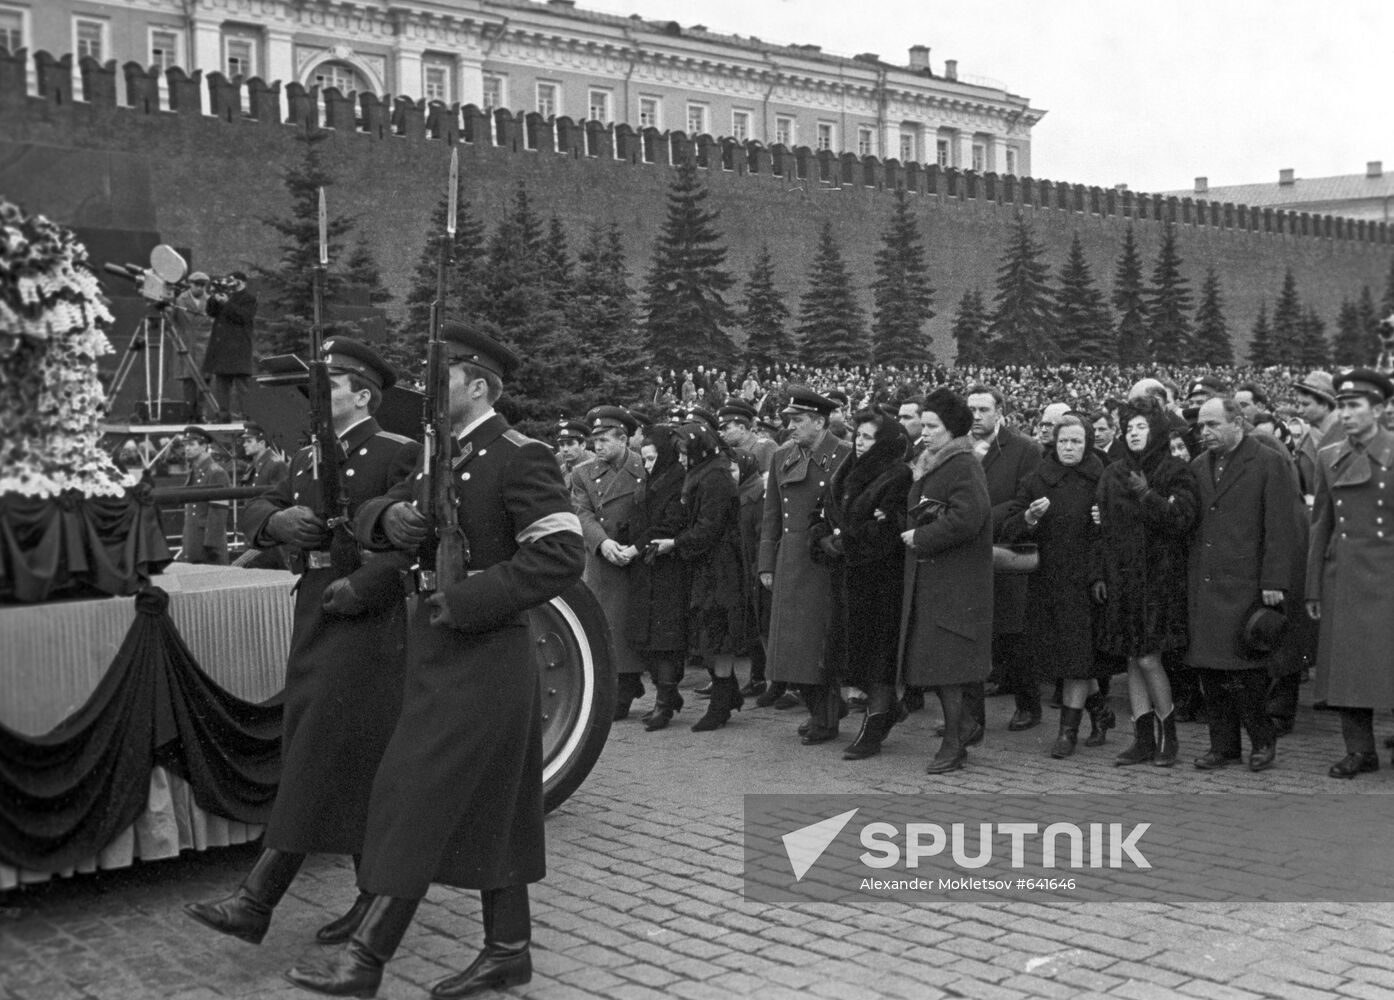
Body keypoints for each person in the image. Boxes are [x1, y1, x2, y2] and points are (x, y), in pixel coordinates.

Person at [284, 323, 584, 998]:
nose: (426, 394)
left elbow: (562, 553)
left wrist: (473, 598)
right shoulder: (438, 457)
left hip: (485, 657)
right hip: (437, 652)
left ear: (478, 387)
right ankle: (509, 951)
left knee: (411, 800)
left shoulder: (517, 455)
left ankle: (365, 960)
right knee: (493, 809)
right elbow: (377, 517)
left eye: (441, 380)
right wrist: (389, 521)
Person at [185, 338, 420, 948]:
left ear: (363, 394)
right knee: (340, 757)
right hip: (316, 613)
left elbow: (413, 540)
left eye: (330, 386)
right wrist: (273, 522)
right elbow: (269, 500)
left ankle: (256, 899)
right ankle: (369, 899)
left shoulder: (397, 454)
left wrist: (363, 585)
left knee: (320, 751)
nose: (317, 398)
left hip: (368, 622)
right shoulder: (310, 456)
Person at [1187, 397, 1301, 773]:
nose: (1205, 433)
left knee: (1247, 672)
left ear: (1237, 423)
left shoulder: (1269, 463)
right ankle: (1223, 747)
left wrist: (1274, 581)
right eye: (1201, 427)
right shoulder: (1199, 466)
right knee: (1211, 673)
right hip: (1206, 584)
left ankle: (1262, 741)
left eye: (1213, 424)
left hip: (1247, 586)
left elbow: (1281, 529)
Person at [1092, 396, 1200, 768]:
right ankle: (1142, 739)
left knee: (1149, 658)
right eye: (1129, 428)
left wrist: (1148, 495)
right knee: (1132, 659)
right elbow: (1102, 531)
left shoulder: (1175, 470)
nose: (1133, 433)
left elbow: (1182, 520)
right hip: (1122, 580)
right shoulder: (1112, 473)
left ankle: (1169, 736)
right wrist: (1100, 574)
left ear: (1155, 430)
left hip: (1159, 581)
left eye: (1141, 427)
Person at [1002, 412, 1112, 758]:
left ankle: (1068, 732)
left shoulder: (1103, 478)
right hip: (1047, 581)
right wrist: (1030, 517)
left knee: (1077, 658)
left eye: (1076, 441)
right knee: (1067, 656)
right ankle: (1100, 713)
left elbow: (1119, 528)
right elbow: (1010, 527)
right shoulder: (1038, 479)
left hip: (1087, 580)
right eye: (1064, 441)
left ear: (1087, 444)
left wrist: (1106, 518)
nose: (1069, 447)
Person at [898, 388, 994, 774]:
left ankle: (955, 743)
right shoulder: (937, 461)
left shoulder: (962, 464)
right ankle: (962, 729)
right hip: (937, 579)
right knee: (940, 664)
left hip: (955, 582)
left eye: (932, 426)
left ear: (951, 429)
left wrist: (922, 536)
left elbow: (969, 518)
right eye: (922, 425)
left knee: (947, 666)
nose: (924, 432)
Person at [1305, 369, 1394, 779]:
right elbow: (1320, 523)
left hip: (1388, 575)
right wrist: (1312, 588)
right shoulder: (1329, 456)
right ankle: (1359, 751)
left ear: (1379, 408)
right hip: (1344, 576)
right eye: (1341, 405)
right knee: (1348, 668)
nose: (1346, 412)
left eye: (1354, 405)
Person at [810, 407, 912, 760]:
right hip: (845, 577)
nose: (861, 443)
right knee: (849, 653)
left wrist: (842, 541)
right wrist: (824, 538)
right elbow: (823, 513)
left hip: (878, 580)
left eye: (869, 437)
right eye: (859, 436)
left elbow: (886, 531)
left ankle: (877, 722)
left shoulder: (896, 476)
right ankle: (884, 710)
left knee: (877, 655)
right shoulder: (845, 472)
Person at [758, 386, 853, 742]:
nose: (791, 427)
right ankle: (822, 710)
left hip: (826, 559)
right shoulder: (783, 457)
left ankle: (825, 717)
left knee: (820, 644)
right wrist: (766, 563)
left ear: (819, 421)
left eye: (798, 421)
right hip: (790, 559)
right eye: (789, 421)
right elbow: (771, 516)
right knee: (791, 648)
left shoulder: (844, 455)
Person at [651, 421, 751, 731]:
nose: (681, 459)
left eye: (684, 453)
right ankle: (728, 694)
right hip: (707, 565)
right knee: (709, 631)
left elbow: (709, 527)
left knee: (717, 633)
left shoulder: (715, 478)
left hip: (720, 567)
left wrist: (676, 543)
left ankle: (720, 706)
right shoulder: (702, 473)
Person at [967, 384, 1042, 733]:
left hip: (1007, 550)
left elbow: (1022, 499)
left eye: (983, 409)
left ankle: (1028, 704)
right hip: (967, 553)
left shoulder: (1023, 448)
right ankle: (967, 714)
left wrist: (977, 518)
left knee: (1014, 634)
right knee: (972, 634)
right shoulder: (959, 448)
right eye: (971, 409)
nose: (976, 416)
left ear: (999, 412)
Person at [572, 406, 647, 719]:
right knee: (606, 627)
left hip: (636, 557)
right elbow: (582, 512)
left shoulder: (644, 467)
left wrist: (634, 546)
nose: (597, 446)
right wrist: (602, 542)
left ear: (624, 439)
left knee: (630, 625)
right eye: (594, 440)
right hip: (603, 559)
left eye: (604, 440)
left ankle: (628, 686)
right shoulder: (583, 473)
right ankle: (617, 688)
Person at [620, 424, 689, 730]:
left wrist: (634, 547)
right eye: (644, 459)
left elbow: (669, 523)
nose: (646, 465)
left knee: (664, 641)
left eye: (651, 459)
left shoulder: (677, 481)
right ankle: (668, 697)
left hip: (665, 566)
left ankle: (665, 700)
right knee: (648, 639)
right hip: (645, 567)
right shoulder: (654, 479)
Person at [203, 271, 258, 421]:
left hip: (238, 349)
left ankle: (249, 416)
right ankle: (223, 415)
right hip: (222, 349)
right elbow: (211, 312)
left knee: (242, 387)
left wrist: (226, 303)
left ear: (242, 283)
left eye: (235, 282)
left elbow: (243, 317)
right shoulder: (226, 296)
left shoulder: (249, 299)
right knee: (221, 385)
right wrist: (214, 297)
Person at [178, 426, 230, 564]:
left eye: (191, 444)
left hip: (207, 550)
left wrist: (211, 547)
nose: (187, 448)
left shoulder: (216, 473)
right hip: (193, 543)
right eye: (185, 445)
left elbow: (218, 514)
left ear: (204, 446)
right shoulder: (195, 472)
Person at [171, 272, 213, 420]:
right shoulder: (180, 300)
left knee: (204, 381)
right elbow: (171, 319)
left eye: (203, 285)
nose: (200, 288)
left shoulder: (210, 301)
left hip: (205, 346)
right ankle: (189, 413)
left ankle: (202, 413)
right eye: (197, 285)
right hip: (186, 344)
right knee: (189, 382)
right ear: (190, 284)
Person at [553, 419, 591, 490]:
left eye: (570, 444)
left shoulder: (593, 467)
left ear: (583, 445)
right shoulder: (562, 469)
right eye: (561, 444)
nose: (565, 449)